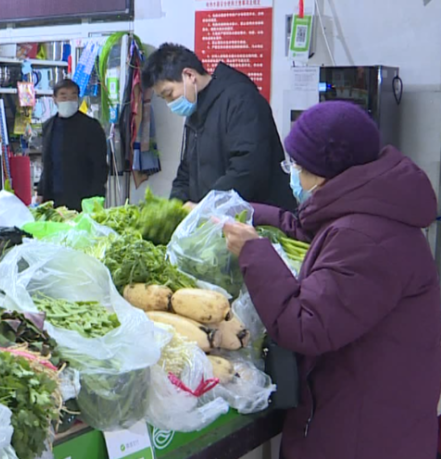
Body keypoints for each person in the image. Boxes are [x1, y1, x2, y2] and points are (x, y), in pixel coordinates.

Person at [221, 101, 441, 459]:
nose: (291, 175)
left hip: (361, 435)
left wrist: (254, 253)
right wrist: (248, 212)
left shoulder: (367, 240)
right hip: (366, 413)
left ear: (324, 175)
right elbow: (320, 231)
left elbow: (306, 325)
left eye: (296, 167)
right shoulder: (370, 209)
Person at [142, 43, 295, 210]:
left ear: (189, 75)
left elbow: (248, 169)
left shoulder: (241, 100)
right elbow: (186, 171)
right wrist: (174, 208)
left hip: (256, 220)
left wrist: (205, 208)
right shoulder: (196, 110)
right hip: (216, 219)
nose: (170, 104)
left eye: (169, 94)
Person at [38, 79, 108, 211]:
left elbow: (100, 166)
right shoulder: (48, 126)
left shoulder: (91, 126)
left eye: (73, 96)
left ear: (78, 99)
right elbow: (47, 162)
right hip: (54, 197)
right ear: (55, 99)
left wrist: (96, 198)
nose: (68, 100)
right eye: (63, 96)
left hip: (83, 197)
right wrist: (41, 192)